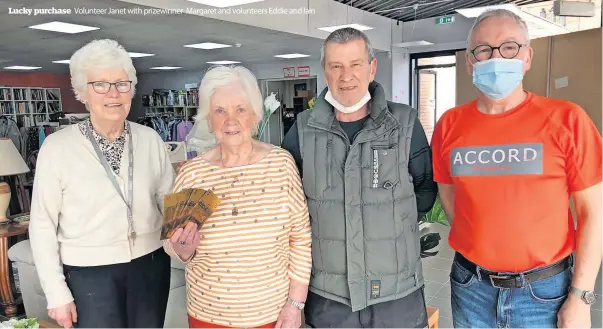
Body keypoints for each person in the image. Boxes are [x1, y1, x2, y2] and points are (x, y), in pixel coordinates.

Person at [430, 9, 602, 328]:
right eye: (483, 49)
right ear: (470, 61)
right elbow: (452, 201)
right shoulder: (449, 125)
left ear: (527, 57)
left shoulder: (568, 121)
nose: (496, 57)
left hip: (544, 294)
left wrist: (581, 297)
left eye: (509, 47)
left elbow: (594, 214)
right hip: (471, 287)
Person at [281, 27, 438, 328]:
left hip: (397, 295)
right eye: (336, 66)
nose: (346, 76)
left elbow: (425, 192)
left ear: (372, 68)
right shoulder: (302, 130)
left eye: (355, 64)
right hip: (329, 298)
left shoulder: (404, 123)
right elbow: (289, 206)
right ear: (324, 72)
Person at [28, 39, 174, 328]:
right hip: (88, 273)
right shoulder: (58, 148)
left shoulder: (150, 139)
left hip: (151, 264)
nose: (113, 93)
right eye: (100, 85)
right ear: (82, 92)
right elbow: (42, 223)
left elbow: (168, 201)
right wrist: (56, 292)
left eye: (121, 83)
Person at [163, 65, 312, 329]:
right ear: (208, 119)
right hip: (207, 316)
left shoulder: (281, 165)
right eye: (220, 111)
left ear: (254, 115)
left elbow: (300, 239)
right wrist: (182, 250)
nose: (230, 121)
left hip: (273, 317)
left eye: (240, 109)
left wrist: (296, 304)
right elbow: (171, 243)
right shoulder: (191, 174)